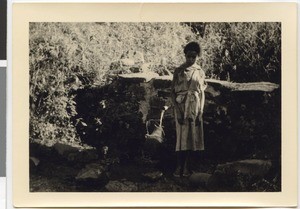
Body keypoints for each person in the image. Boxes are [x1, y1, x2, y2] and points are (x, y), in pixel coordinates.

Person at [171, 42, 207, 177]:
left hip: (195, 107)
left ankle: (187, 167)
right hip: (181, 107)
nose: (191, 59)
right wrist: (178, 110)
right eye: (188, 56)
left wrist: (200, 113)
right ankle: (178, 166)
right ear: (185, 55)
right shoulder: (178, 71)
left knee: (193, 138)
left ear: (197, 56)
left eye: (194, 57)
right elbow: (172, 93)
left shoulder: (200, 72)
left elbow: (202, 93)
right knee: (181, 137)